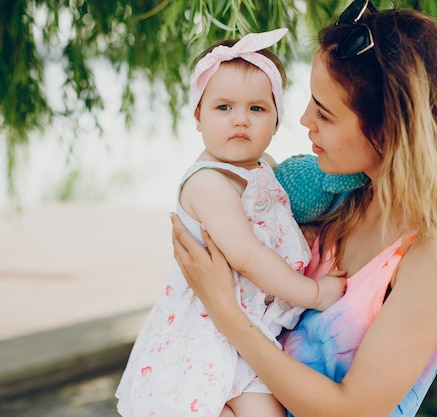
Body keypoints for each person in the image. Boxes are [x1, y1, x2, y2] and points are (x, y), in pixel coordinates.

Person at [170, 1, 437, 416]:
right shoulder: (338, 198)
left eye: (324, 114)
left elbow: (351, 409)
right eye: (310, 102)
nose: (305, 120)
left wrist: (225, 313)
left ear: (387, 128)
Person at [116, 28, 357, 417]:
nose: (240, 120)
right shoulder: (208, 181)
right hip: (205, 336)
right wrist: (312, 294)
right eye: (223, 108)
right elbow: (246, 256)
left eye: (257, 109)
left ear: (277, 121)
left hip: (252, 335)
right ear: (198, 116)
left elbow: (278, 224)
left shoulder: (265, 170)